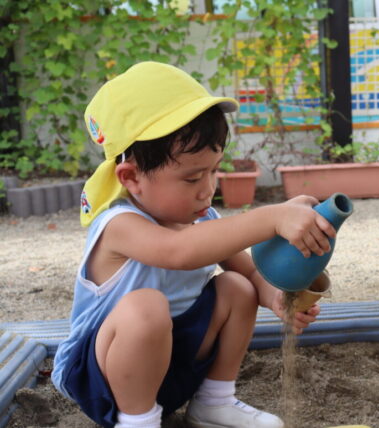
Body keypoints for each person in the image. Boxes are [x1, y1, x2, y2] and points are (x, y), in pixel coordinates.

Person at [51, 61, 336, 428]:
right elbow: (179, 252)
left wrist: (279, 300)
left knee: (237, 287)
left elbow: (249, 270)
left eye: (214, 170)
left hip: (172, 370)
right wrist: (271, 218)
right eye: (191, 177)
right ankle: (136, 422)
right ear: (132, 177)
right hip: (103, 380)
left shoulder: (203, 219)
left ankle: (214, 401)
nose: (208, 187)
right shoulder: (118, 225)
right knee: (145, 307)